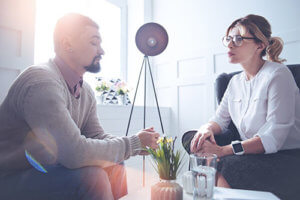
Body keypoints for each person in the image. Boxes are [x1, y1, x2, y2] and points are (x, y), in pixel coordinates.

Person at [0, 13, 159, 200]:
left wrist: (135, 143)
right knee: (92, 178)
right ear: (67, 45)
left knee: (115, 165)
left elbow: (96, 136)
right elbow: (74, 153)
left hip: (48, 171)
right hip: (11, 177)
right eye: (94, 43)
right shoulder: (41, 82)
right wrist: (132, 143)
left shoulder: (85, 91)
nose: (102, 51)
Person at [190, 14, 300, 199]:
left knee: (225, 164)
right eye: (229, 39)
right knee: (199, 152)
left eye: (239, 39)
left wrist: (223, 151)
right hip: (248, 153)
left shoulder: (278, 75)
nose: (230, 44)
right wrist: (205, 130)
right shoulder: (234, 82)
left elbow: (273, 138)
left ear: (260, 45)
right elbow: (219, 120)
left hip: (286, 157)